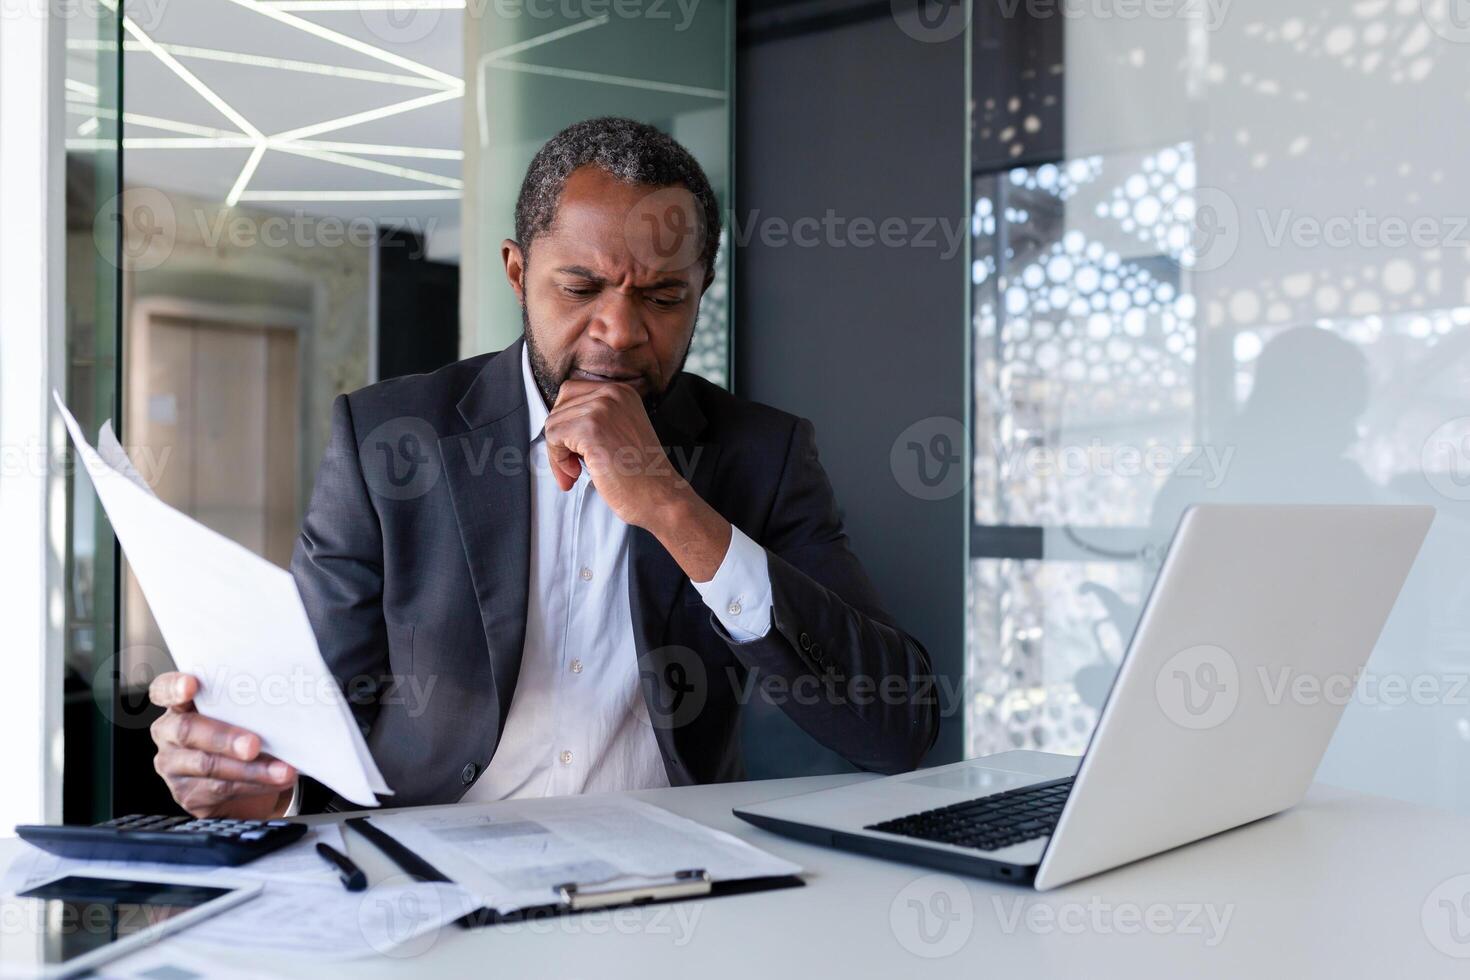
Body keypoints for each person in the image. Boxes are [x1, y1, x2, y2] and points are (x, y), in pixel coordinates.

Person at [147, 116, 939, 818]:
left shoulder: (761, 455)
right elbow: (319, 713)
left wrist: (671, 506)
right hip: (438, 862)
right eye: (582, 287)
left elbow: (896, 727)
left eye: (663, 298)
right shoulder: (390, 438)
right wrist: (262, 781)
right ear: (519, 274)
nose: (620, 331)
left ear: (702, 290)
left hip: (676, 885)